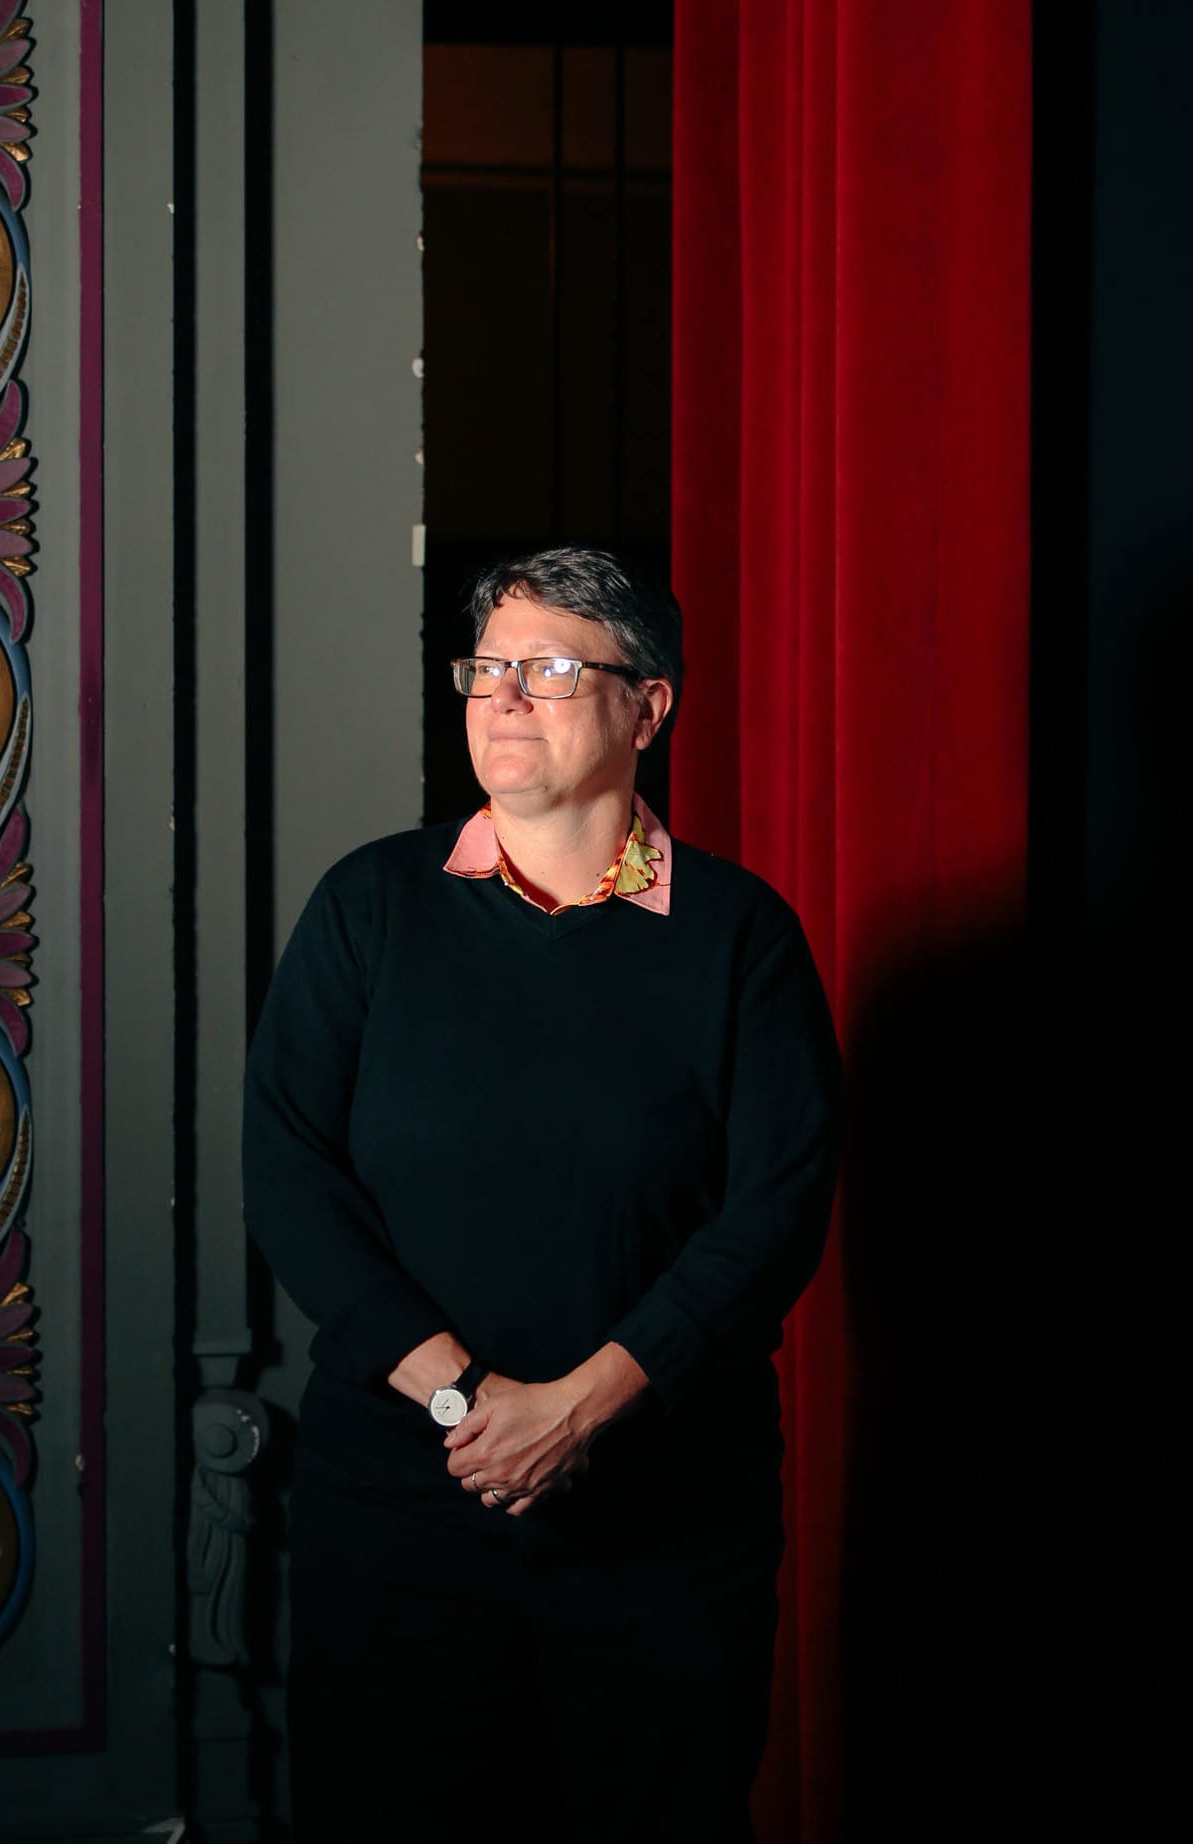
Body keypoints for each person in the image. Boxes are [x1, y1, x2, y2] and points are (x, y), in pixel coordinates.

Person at [242, 548, 843, 1844]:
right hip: (400, 1522)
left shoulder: (743, 939)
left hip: (665, 1532)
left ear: (650, 707)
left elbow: (777, 1210)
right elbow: (289, 1171)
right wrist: (465, 1397)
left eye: (552, 669)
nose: (504, 696)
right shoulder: (369, 910)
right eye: (487, 669)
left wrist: (579, 1409)